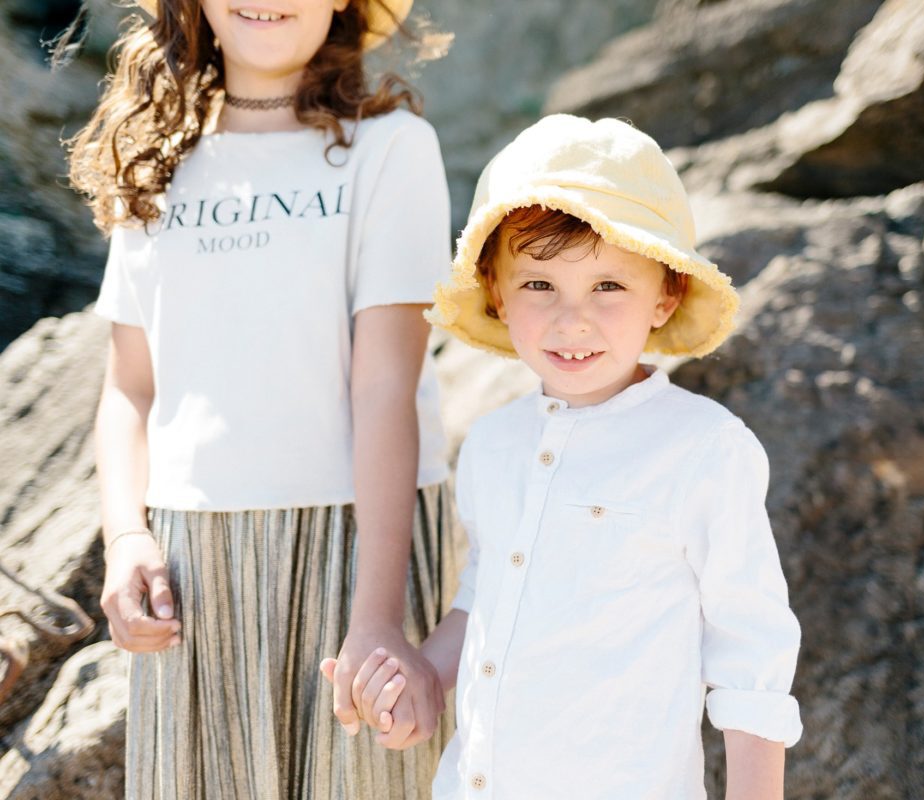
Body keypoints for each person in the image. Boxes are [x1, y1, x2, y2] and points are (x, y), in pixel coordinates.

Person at [68, 1, 455, 796]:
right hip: (192, 566)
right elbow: (129, 389)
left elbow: (387, 386)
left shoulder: (392, 148)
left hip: (363, 543)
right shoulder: (154, 159)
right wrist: (125, 539)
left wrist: (378, 619)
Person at [357, 114, 803, 798]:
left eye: (609, 286)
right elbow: (485, 603)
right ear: (497, 294)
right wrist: (424, 677)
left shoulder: (703, 449)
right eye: (539, 286)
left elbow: (753, 657)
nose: (573, 320)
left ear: (667, 294)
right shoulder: (491, 443)